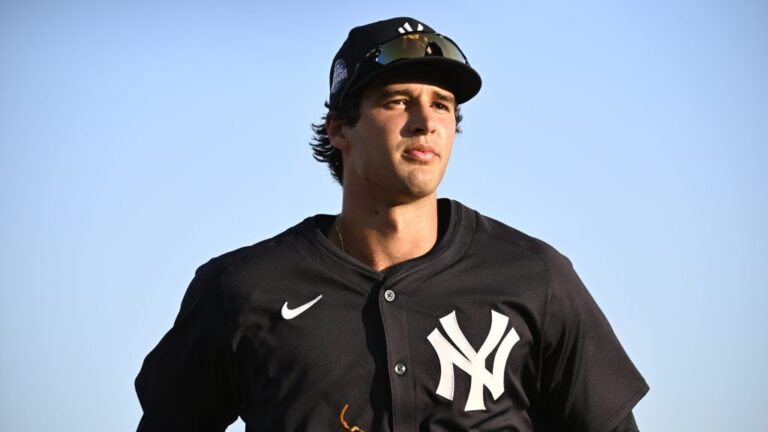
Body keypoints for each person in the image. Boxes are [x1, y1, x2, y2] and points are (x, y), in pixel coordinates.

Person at [135, 17, 648, 432]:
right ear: (340, 128)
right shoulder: (242, 289)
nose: (426, 121)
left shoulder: (537, 277)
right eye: (398, 100)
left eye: (442, 105)